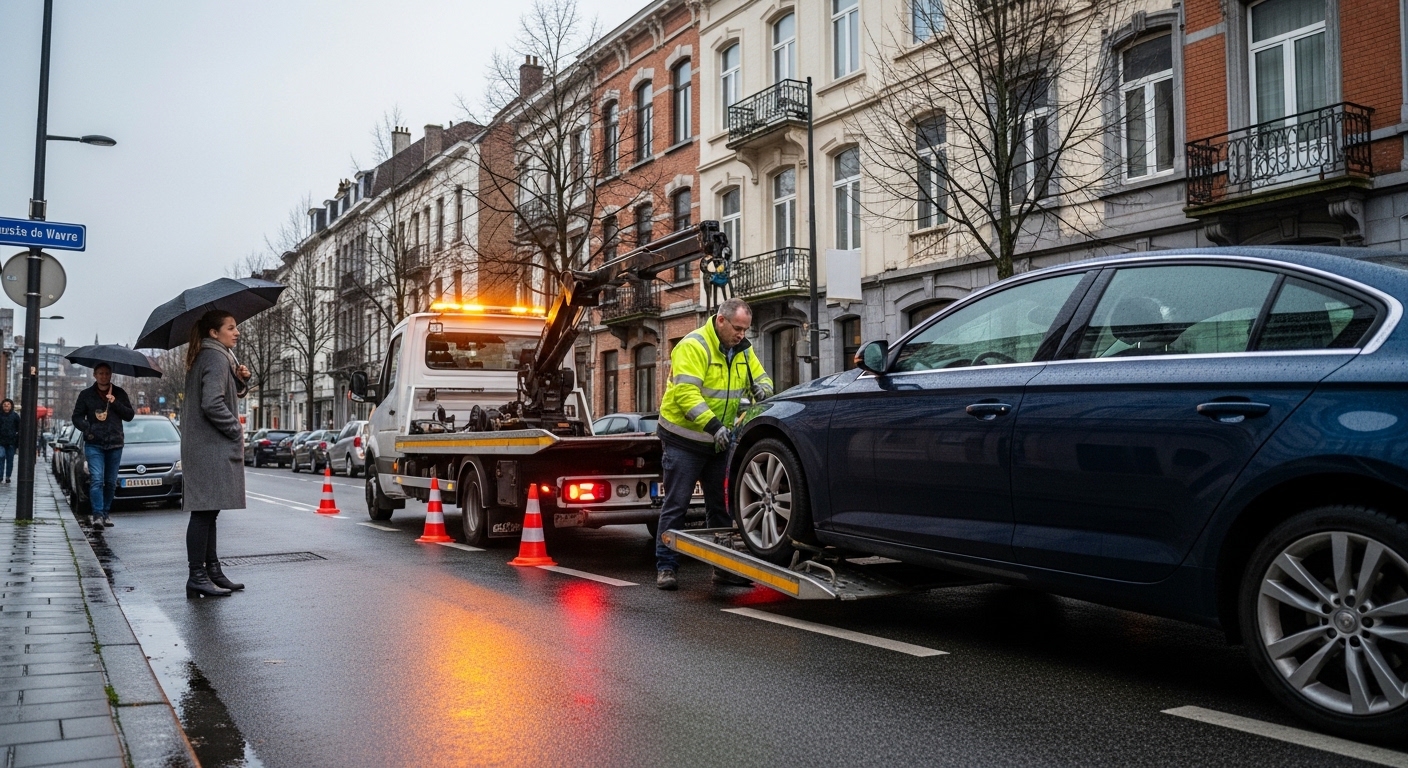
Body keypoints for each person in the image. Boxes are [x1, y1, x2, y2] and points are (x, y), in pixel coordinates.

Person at [654, 297, 773, 590]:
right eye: (737, 328)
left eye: (746, 330)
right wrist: (715, 426)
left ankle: (723, 567)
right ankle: (666, 566)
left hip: (717, 443)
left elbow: (764, 381)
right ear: (721, 320)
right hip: (684, 439)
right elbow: (686, 395)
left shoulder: (743, 351)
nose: (741, 335)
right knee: (677, 505)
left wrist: (764, 390)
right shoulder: (694, 346)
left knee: (721, 510)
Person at [181, 309, 251, 598]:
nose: (236, 332)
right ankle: (198, 575)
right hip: (210, 446)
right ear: (214, 333)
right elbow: (212, 403)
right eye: (231, 328)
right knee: (203, 513)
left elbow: (218, 392)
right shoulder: (215, 356)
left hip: (204, 446)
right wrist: (235, 429)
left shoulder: (211, 355)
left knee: (208, 513)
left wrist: (239, 380)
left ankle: (211, 571)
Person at [71, 363, 135, 527]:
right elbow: (76, 417)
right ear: (94, 375)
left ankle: (106, 513)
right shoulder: (86, 395)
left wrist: (115, 403)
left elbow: (129, 415)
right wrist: (87, 428)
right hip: (94, 443)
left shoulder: (119, 393)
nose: (104, 376)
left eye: (107, 373)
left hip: (115, 443)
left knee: (110, 481)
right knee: (97, 479)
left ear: (111, 375)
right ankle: (97, 515)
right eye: (100, 373)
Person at [0, 400, 19, 484]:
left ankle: (8, 476)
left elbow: (19, 428)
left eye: (8, 405)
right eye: (5, 405)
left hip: (11, 442)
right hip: (0, 441)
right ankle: (0, 476)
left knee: (10, 460)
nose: (6, 406)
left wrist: (16, 439)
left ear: (11, 406)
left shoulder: (15, 416)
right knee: (1, 458)